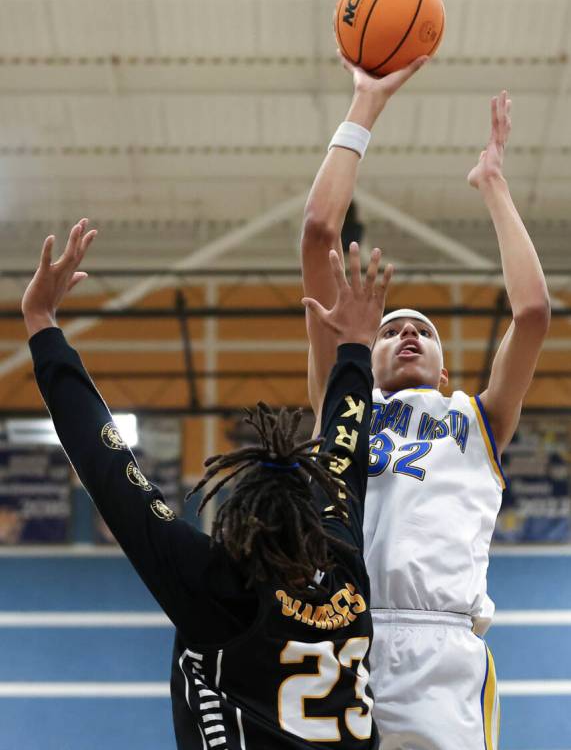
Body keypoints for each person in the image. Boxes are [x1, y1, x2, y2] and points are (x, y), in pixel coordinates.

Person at [23, 219, 394, 750]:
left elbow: (108, 468)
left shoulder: (218, 587)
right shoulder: (344, 565)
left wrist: (42, 325)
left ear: (237, 523)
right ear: (316, 515)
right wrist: (355, 350)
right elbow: (344, 449)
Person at [301, 56, 551, 750]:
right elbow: (318, 236)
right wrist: (364, 108)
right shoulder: (339, 406)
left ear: (445, 373)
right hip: (341, 640)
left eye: (423, 330)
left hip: (441, 647)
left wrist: (493, 184)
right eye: (388, 329)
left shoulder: (475, 418)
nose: (406, 331)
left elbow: (531, 312)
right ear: (365, 354)